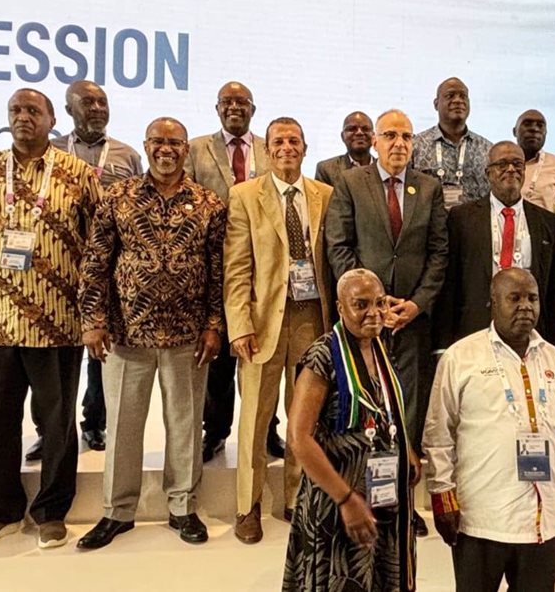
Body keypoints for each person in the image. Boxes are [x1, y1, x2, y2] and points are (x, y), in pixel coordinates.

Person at [0, 89, 101, 550]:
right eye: (15, 110)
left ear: (52, 119)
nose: (23, 117)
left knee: (57, 423)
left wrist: (93, 314)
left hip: (57, 320)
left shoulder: (78, 174)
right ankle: (1, 511)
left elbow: (98, 251)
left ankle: (51, 512)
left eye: (33, 110)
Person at [75, 116, 223, 549]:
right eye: (158, 141)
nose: (166, 149)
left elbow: (217, 271)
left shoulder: (209, 202)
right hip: (126, 333)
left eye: (175, 143)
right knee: (122, 425)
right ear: (146, 145)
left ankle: (183, 507)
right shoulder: (118, 197)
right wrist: (93, 320)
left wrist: (214, 325)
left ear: (185, 150)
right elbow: (96, 261)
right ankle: (117, 511)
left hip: (187, 335)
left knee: (185, 424)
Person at [425, 268, 555, 592]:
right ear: (493, 302)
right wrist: (442, 496)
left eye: (532, 298)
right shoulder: (461, 357)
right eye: (515, 298)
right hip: (481, 521)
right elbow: (438, 435)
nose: (525, 306)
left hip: (544, 521)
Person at [326, 108, 448, 537]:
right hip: (363, 327)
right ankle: (360, 497)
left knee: (407, 413)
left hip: (411, 323)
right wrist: (369, 307)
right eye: (391, 135)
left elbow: (439, 254)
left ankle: (403, 503)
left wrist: (415, 305)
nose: (399, 143)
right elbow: (339, 247)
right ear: (375, 141)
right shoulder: (349, 183)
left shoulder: (428, 188)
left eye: (407, 137)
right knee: (365, 412)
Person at [225, 117, 334, 543]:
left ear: (305, 148)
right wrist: (239, 325)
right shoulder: (245, 195)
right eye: (278, 141)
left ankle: (296, 499)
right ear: (267, 150)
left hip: (311, 319)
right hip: (262, 323)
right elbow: (237, 267)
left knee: (303, 417)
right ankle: (247, 506)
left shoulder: (325, 195)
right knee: (255, 418)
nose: (286, 147)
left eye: (293, 140)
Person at [282, 269, 419, 592]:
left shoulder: (380, 347)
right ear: (340, 308)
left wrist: (406, 450)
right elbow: (298, 438)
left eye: (380, 303)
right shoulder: (323, 355)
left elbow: (384, 411)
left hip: (381, 498)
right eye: (361, 304)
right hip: (337, 503)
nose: (373, 313)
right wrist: (345, 499)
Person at [43, 80, 144, 458]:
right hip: (59, 264)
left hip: (110, 267)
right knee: (55, 355)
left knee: (102, 348)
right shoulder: (51, 151)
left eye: (103, 102)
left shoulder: (127, 155)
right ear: (69, 110)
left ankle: (95, 422)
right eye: (88, 102)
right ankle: (51, 432)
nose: (98, 108)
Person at [184, 81, 273, 464]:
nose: (234, 107)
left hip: (264, 268)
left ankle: (268, 431)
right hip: (215, 265)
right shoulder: (196, 148)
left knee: (264, 356)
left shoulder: (270, 148)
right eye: (227, 102)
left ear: (253, 109)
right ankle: (216, 432)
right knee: (219, 359)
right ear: (217, 108)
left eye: (242, 102)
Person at [435, 140, 555, 352]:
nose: (511, 169)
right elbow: (450, 284)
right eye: (502, 164)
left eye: (517, 164)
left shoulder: (547, 221)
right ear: (488, 173)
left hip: (529, 332)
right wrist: (442, 346)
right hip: (474, 329)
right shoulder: (462, 218)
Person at [411, 77, 492, 209]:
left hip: (474, 221)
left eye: (463, 96)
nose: (458, 100)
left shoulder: (487, 149)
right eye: (450, 95)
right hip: (429, 221)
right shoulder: (416, 146)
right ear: (436, 104)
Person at [514, 110, 555, 211]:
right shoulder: (502, 165)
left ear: (546, 133)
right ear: (514, 131)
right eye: (527, 124)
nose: (534, 129)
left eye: (540, 125)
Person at [315, 111, 374, 186]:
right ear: (342, 136)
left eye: (365, 129)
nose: (359, 132)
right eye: (352, 129)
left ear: (374, 136)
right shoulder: (326, 169)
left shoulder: (383, 167)